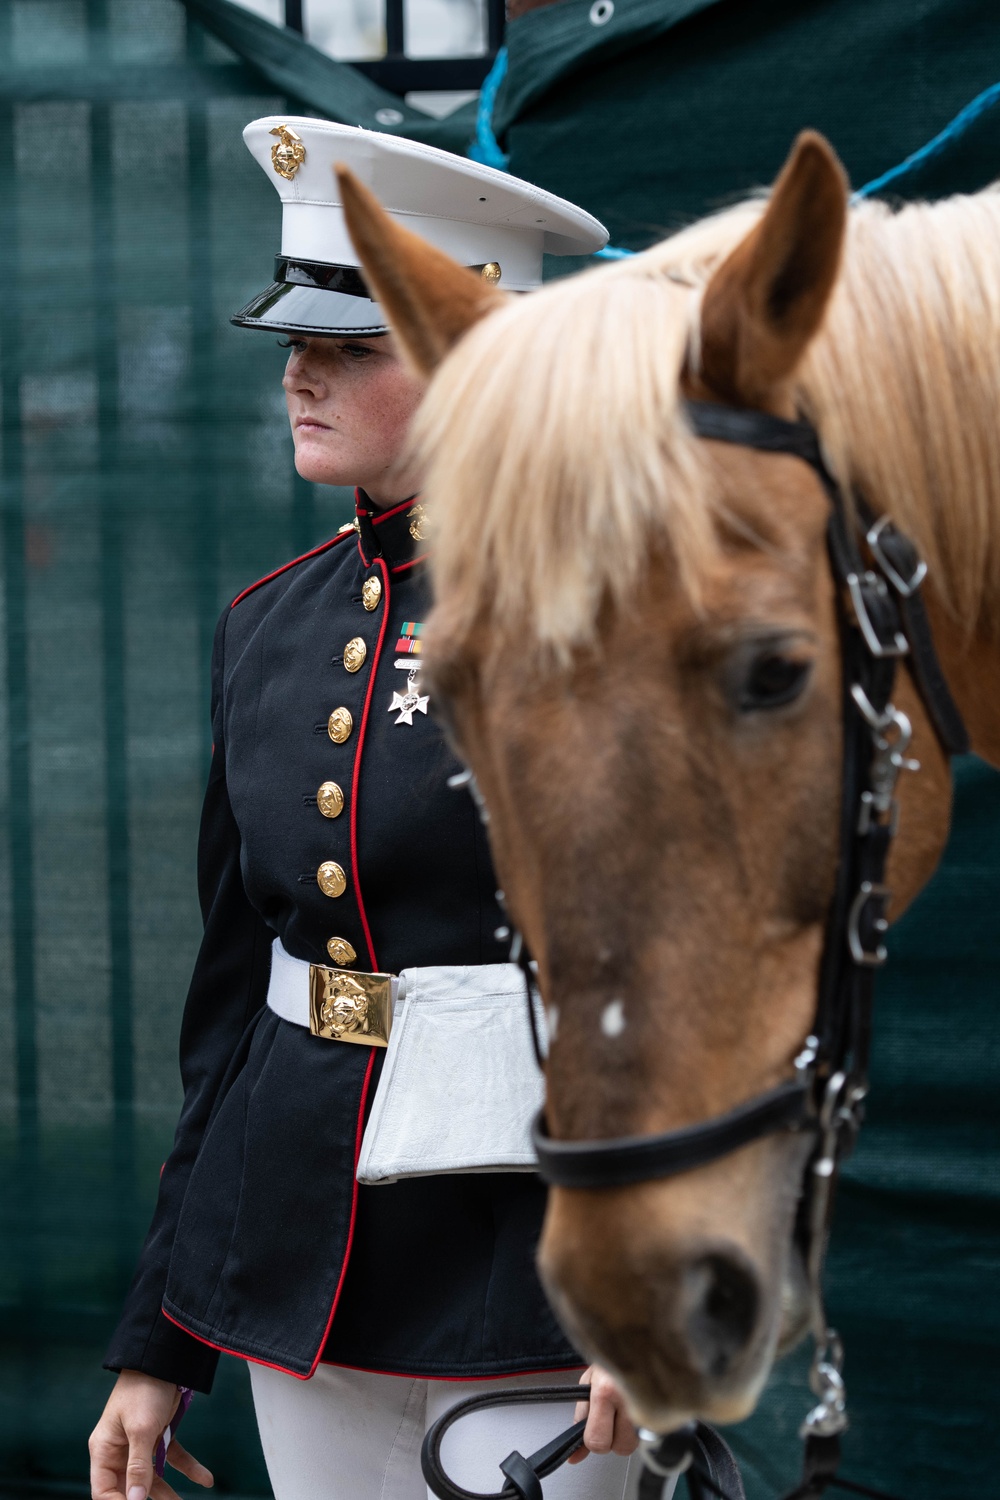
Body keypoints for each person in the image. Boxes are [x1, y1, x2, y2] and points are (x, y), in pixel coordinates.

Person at [87, 119, 641, 1500]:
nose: (299, 372)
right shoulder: (266, 628)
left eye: (354, 343)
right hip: (303, 1269)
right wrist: (158, 1338)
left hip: (545, 1277)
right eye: (295, 339)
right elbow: (232, 1011)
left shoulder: (605, 619)